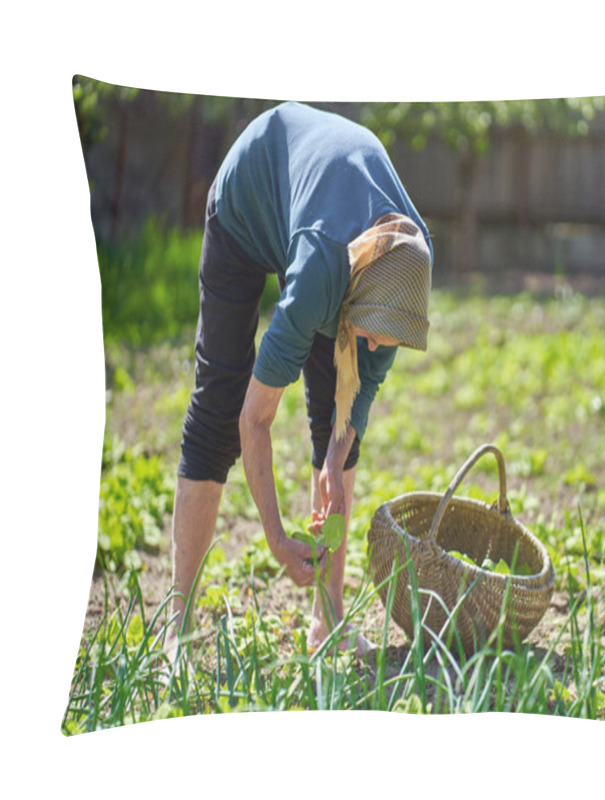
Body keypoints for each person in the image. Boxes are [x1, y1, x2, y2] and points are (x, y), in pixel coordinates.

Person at [167, 101, 433, 661]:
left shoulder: (404, 276)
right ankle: (179, 628)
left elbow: (348, 416)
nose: (380, 346)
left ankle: (326, 624)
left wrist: (334, 462)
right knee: (217, 411)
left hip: (323, 219)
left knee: (332, 436)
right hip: (249, 198)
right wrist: (277, 537)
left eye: (391, 335)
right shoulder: (323, 270)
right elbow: (254, 418)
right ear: (351, 294)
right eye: (374, 331)